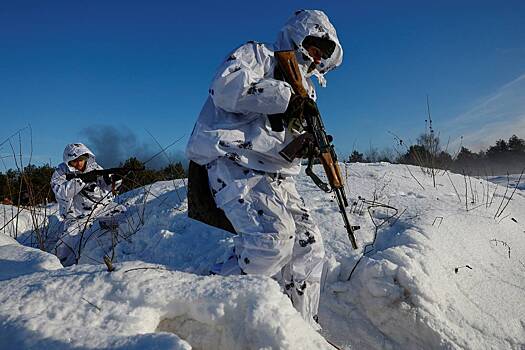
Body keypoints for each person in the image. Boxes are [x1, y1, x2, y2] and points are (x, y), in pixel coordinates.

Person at [185, 9, 343, 329]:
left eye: (323, 53)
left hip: (277, 174)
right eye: (314, 45)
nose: (315, 56)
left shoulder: (307, 90)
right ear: (300, 35)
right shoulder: (259, 55)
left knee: (309, 246)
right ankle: (195, 307)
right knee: (271, 242)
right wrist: (284, 96)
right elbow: (225, 87)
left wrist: (306, 145)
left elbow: (282, 143)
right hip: (233, 160)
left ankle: (302, 329)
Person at [51, 143, 125, 266]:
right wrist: (82, 180)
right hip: (76, 215)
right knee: (65, 248)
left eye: (81, 160)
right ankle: (53, 270)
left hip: (100, 209)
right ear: (68, 161)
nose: (79, 164)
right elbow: (62, 193)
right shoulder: (60, 172)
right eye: (74, 161)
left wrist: (114, 181)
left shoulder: (95, 167)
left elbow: (106, 187)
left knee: (123, 216)